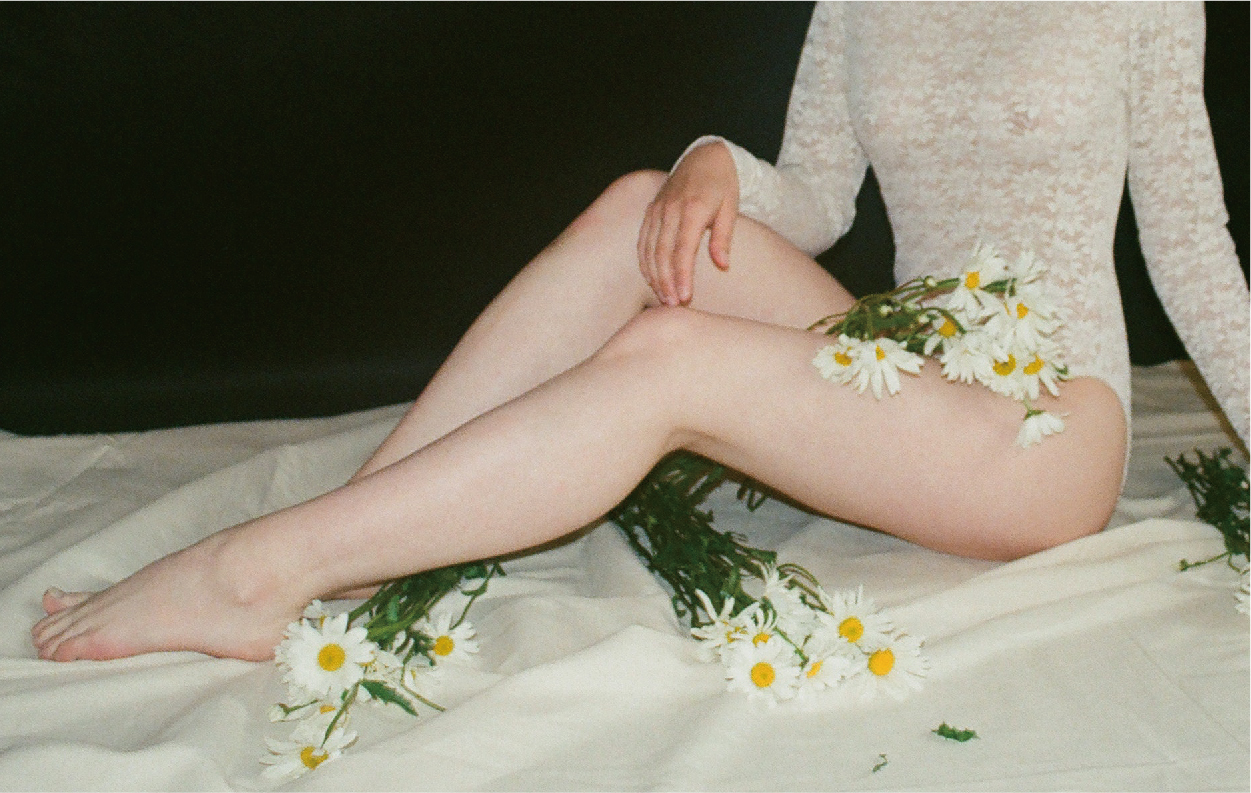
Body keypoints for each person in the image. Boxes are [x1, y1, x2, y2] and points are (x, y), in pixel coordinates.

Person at [32, 2, 1248, 663]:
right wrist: (714, 164)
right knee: (637, 210)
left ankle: (257, 573)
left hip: (1046, 425)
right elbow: (815, 200)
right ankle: (363, 528)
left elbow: (1193, 257)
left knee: (667, 357)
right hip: (910, 365)